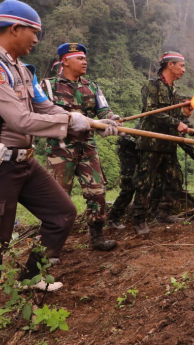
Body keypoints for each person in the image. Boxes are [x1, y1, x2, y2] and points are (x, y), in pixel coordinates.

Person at [0, 0, 111, 341]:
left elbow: (44, 107)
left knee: (62, 213)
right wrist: (71, 123)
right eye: (34, 32)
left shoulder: (22, 69)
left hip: (25, 160)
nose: (36, 40)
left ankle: (31, 276)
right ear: (14, 29)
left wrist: (87, 121)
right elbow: (20, 118)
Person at [131, 51, 194, 235]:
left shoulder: (174, 92)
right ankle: (139, 220)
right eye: (181, 66)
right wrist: (177, 123)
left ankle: (163, 214)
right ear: (170, 65)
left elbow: (178, 118)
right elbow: (153, 112)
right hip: (150, 143)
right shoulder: (152, 86)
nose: (183, 69)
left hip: (168, 145)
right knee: (144, 182)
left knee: (175, 179)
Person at [42, 43, 119, 251]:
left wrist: (110, 121)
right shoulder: (48, 86)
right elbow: (43, 115)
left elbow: (104, 113)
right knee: (57, 197)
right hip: (60, 150)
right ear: (65, 61)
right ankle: (52, 245)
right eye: (80, 58)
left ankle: (97, 237)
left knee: (98, 191)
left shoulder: (92, 86)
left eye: (85, 58)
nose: (85, 62)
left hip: (87, 147)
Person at [107, 128, 139, 229]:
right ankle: (113, 218)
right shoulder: (128, 139)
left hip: (137, 159)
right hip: (129, 162)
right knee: (128, 190)